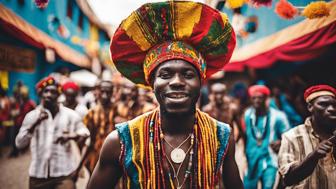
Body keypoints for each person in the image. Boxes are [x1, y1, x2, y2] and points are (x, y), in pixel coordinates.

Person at [88, 1, 243, 188]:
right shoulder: (120, 142)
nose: (177, 81)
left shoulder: (221, 137)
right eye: (165, 74)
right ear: (151, 84)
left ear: (201, 83)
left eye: (188, 74)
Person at [15, 76, 90, 189]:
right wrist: (35, 123)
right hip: (38, 175)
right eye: (46, 91)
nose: (49, 95)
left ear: (59, 95)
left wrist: (71, 136)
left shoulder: (70, 115)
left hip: (64, 175)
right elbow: (19, 144)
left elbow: (85, 134)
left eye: (53, 92)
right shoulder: (32, 116)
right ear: (41, 94)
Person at [278, 85, 336, 188]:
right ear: (310, 107)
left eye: (334, 105)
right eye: (323, 104)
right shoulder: (292, 136)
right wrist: (313, 156)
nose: (331, 109)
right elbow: (288, 179)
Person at [243, 85, 290, 189]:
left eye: (260, 97)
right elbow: (246, 135)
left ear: (266, 98)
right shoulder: (247, 114)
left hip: (270, 160)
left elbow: (289, 137)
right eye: (254, 98)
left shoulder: (278, 116)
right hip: (252, 160)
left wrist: (281, 142)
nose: (257, 101)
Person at [81, 80, 116, 173]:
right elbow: (89, 141)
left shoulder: (118, 110)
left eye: (108, 92)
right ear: (97, 92)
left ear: (112, 93)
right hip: (95, 156)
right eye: (102, 92)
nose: (105, 95)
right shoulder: (91, 113)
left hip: (115, 156)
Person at [10, 86, 36, 157]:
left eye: (24, 95)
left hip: (27, 123)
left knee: (25, 137)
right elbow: (15, 112)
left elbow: (35, 112)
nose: (23, 97)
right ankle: (15, 151)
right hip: (18, 123)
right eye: (22, 95)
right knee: (15, 137)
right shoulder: (20, 103)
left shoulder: (31, 103)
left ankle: (22, 150)